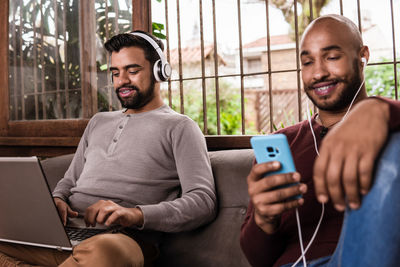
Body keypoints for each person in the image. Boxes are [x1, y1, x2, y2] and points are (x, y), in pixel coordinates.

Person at [0, 31, 217, 267]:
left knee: (103, 252)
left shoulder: (180, 127)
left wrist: (134, 214)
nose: (121, 81)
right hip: (65, 234)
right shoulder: (98, 122)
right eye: (115, 72)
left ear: (159, 71)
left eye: (132, 71)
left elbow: (203, 201)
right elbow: (69, 180)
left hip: (122, 239)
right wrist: (57, 198)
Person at [240, 14, 400, 267]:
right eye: (307, 62)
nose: (318, 73)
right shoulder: (281, 143)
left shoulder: (389, 121)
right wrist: (263, 220)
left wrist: (381, 109)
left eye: (332, 57)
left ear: (363, 56)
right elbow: (258, 261)